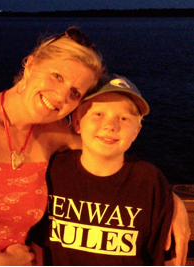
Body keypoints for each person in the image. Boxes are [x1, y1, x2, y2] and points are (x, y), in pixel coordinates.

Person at [0, 26, 190, 265]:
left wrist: (167, 199)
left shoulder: (53, 133)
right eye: (57, 76)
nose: (61, 96)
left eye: (74, 93)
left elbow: (109, 153)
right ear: (30, 64)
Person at [29, 75, 190, 265]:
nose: (110, 126)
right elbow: (38, 242)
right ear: (78, 122)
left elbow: (166, 257)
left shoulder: (149, 181)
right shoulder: (54, 172)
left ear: (136, 132)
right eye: (98, 114)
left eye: (123, 118)